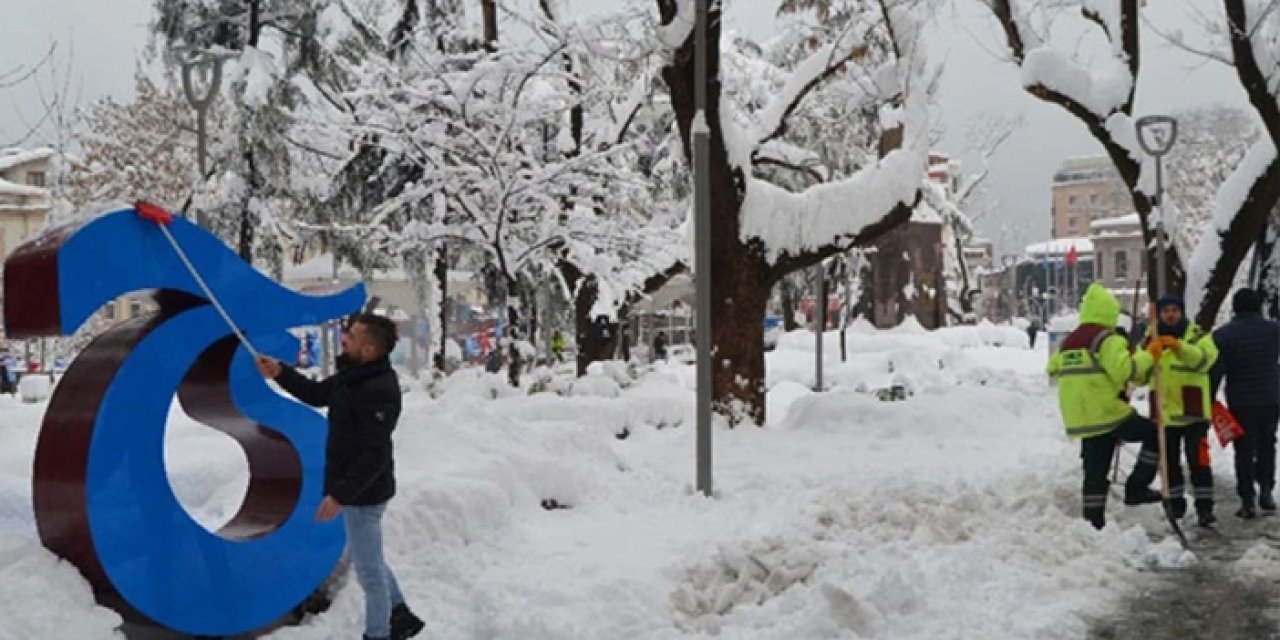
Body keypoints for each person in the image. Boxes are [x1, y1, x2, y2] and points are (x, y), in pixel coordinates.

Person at [255, 313, 424, 640]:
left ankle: (379, 633)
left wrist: (341, 494)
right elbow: (317, 394)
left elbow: (373, 455)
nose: (344, 338)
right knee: (369, 557)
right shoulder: (354, 376)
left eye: (353, 336)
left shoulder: (378, 389)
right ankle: (400, 615)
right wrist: (280, 372)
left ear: (369, 349)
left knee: (369, 573)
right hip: (355, 489)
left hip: (365, 493)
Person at [1047, 284, 1162, 530]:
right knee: (1154, 433)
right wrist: (1148, 354)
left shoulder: (1070, 341)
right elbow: (1126, 370)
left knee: (1095, 469)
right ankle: (1137, 487)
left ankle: (1093, 521)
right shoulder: (1107, 339)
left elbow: (1053, 369)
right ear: (1109, 313)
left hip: (1079, 418)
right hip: (1108, 413)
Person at [1140, 294, 1219, 526]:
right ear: (1160, 314)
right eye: (1166, 311)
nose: (1170, 314)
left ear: (1182, 312)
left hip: (1192, 412)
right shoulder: (1149, 339)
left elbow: (1203, 361)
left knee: (1200, 463)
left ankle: (1205, 508)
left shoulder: (1198, 337)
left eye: (1175, 310)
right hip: (1164, 414)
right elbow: (1139, 374)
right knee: (1170, 464)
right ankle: (1176, 505)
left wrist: (1178, 346)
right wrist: (1145, 357)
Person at [1211, 287, 1280, 519]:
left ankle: (1247, 500)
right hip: (1271, 398)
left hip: (1241, 401)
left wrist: (1209, 398)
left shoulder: (1223, 335)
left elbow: (1217, 370)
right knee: (1267, 443)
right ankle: (1267, 490)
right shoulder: (1274, 331)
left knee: (1243, 449)